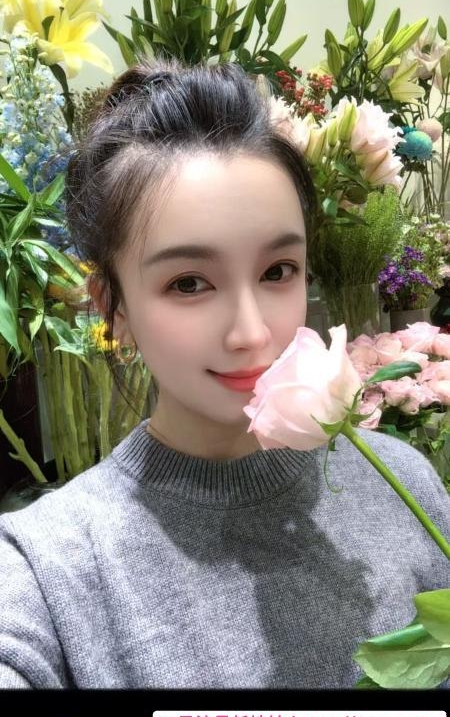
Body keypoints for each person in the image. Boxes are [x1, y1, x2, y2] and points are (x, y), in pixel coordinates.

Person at [0, 58, 448, 690]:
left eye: (277, 271)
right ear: (113, 308)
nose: (252, 333)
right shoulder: (45, 568)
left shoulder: (404, 484)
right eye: (189, 283)